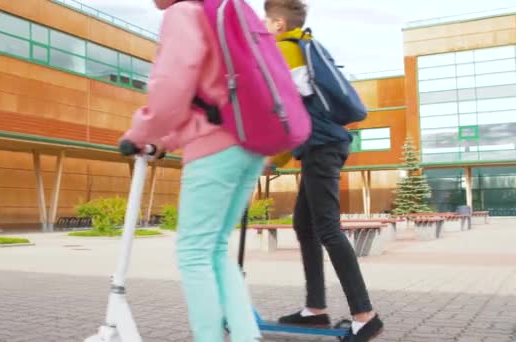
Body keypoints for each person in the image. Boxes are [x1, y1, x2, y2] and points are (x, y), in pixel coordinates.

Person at [121, 1, 263, 341]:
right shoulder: (225, 11)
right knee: (214, 249)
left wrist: (138, 134)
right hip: (251, 142)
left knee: (193, 252)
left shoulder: (183, 11)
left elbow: (172, 88)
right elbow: (208, 97)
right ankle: (246, 336)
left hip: (215, 147)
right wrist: (165, 142)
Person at [263, 1, 384, 341]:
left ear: (278, 23)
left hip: (320, 148)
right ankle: (315, 309)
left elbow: (291, 112)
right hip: (318, 147)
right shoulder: (306, 44)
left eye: (266, 19)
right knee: (305, 224)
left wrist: (274, 156)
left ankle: (365, 314)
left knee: (328, 229)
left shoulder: (288, 49)